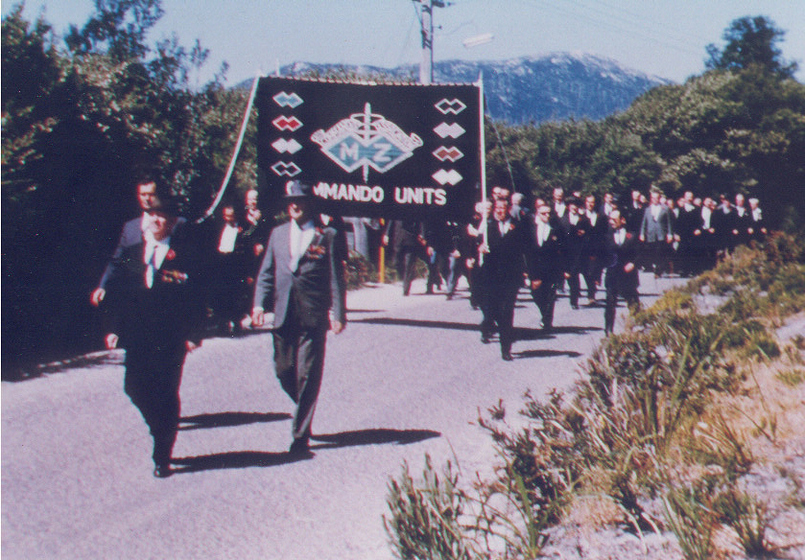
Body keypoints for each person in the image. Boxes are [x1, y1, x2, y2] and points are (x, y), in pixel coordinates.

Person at [102, 197, 203, 478]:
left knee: (166, 393)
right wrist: (113, 328)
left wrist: (194, 334)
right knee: (133, 387)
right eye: (151, 215)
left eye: (162, 216)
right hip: (138, 335)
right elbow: (119, 294)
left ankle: (162, 456)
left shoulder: (184, 253)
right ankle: (160, 428)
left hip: (171, 337)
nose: (156, 220)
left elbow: (197, 296)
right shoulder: (132, 252)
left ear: (171, 222)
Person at [251, 180, 347, 455]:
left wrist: (338, 313)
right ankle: (304, 405)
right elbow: (266, 272)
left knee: (308, 373)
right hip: (283, 313)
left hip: (312, 314)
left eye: (300, 200)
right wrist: (259, 305)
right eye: (290, 200)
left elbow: (335, 278)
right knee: (283, 370)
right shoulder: (277, 234)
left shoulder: (325, 234)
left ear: (309, 204)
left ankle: (300, 435)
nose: (294, 204)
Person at [91, 178, 184, 307]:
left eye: (150, 194)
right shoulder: (131, 228)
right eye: (142, 194)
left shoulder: (178, 225)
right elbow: (116, 262)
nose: (146, 199)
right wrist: (103, 286)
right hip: (137, 302)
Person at [479, 196, 526, 361]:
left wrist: (526, 272)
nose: (499, 211)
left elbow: (524, 249)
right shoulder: (487, 225)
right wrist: (480, 247)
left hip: (510, 276)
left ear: (507, 209)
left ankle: (505, 348)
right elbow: (474, 243)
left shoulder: (517, 225)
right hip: (491, 275)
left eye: (502, 208)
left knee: (507, 312)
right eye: (497, 208)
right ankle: (486, 327)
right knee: (491, 309)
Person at [526, 201, 564, 333]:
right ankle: (544, 314)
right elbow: (528, 251)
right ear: (538, 213)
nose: (546, 216)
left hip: (551, 269)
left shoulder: (556, 229)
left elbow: (561, 249)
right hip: (535, 268)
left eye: (549, 213)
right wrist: (528, 272)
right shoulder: (531, 229)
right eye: (543, 213)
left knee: (549, 295)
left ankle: (547, 321)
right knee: (536, 294)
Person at [211, 204, 248, 335]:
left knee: (235, 294)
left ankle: (237, 323)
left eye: (230, 216)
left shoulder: (243, 228)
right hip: (221, 261)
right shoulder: (220, 226)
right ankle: (223, 324)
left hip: (235, 262)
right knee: (221, 294)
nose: (227, 218)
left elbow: (247, 247)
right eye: (225, 216)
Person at [604, 209, 640, 335]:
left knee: (633, 302)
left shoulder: (632, 235)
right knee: (610, 302)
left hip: (628, 274)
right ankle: (608, 330)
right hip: (613, 274)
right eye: (610, 219)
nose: (611, 222)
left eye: (614, 219)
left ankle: (634, 328)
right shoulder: (607, 235)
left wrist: (633, 263)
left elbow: (639, 252)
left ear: (622, 220)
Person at [383, 219, 427, 296]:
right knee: (396, 262)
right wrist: (386, 234)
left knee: (409, 264)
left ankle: (406, 288)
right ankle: (405, 277)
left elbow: (420, 221)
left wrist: (422, 234)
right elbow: (390, 221)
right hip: (398, 239)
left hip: (411, 239)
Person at [639, 189, 674, 278]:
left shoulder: (665, 208)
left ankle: (658, 271)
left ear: (659, 198)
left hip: (661, 234)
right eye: (652, 198)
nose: (654, 199)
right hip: (650, 234)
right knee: (652, 252)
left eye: (656, 198)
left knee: (660, 253)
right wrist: (642, 233)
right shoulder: (647, 209)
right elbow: (644, 223)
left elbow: (669, 223)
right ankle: (656, 267)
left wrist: (670, 234)